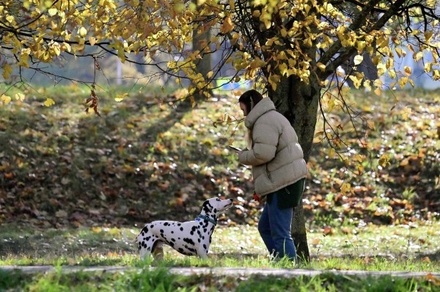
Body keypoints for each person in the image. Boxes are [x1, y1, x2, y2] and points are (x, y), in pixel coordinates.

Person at [236, 89, 308, 262]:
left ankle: (291, 270)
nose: (243, 113)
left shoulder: (264, 122)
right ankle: (280, 261)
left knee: (280, 233)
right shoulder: (271, 117)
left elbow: (263, 154)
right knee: (266, 228)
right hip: (283, 180)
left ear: (251, 105)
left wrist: (243, 156)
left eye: (243, 109)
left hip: (284, 184)